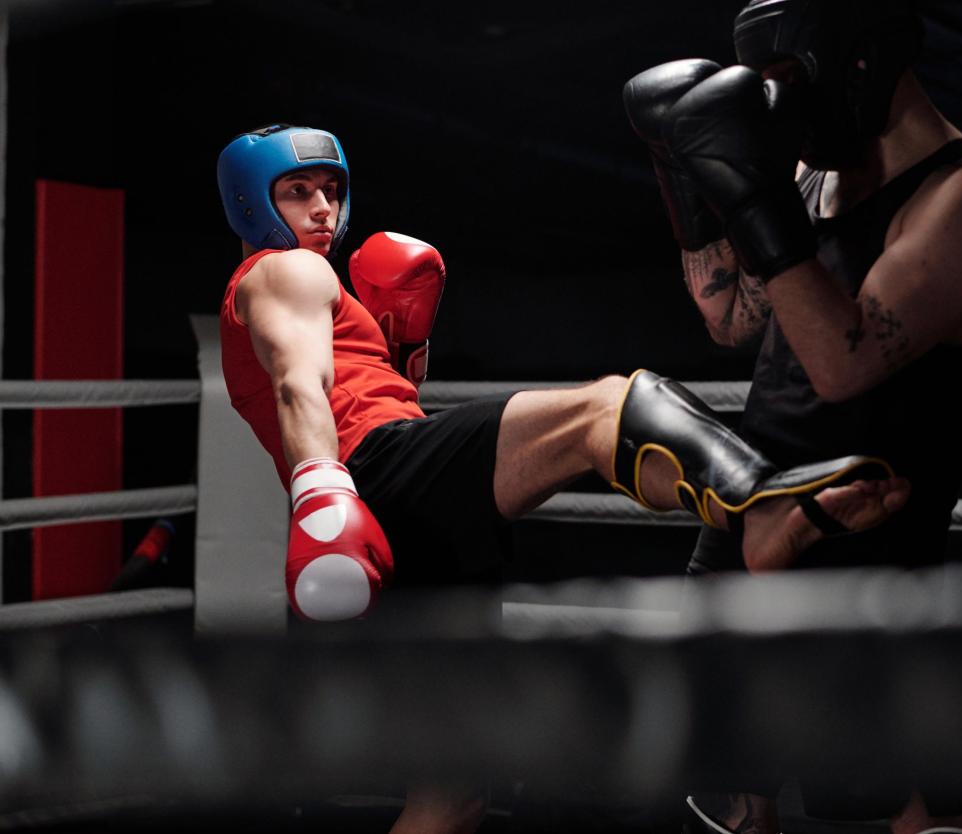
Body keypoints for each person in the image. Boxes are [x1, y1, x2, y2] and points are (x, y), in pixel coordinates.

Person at [214, 123, 910, 834]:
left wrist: (402, 349)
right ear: (248, 202)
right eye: (297, 192)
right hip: (377, 471)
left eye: (331, 189)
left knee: (453, 795)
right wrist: (321, 492)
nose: (323, 208)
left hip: (394, 514)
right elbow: (302, 385)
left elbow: (340, 382)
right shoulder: (288, 272)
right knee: (606, 408)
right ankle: (756, 507)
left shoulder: (294, 287)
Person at [623, 1, 962, 832]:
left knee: (899, 809)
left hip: (863, 529)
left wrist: (758, 199)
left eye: (784, 83)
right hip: (750, 505)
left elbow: (845, 363)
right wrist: (691, 182)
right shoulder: (811, 180)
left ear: (859, 64)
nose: (779, 110)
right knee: (735, 805)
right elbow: (732, 322)